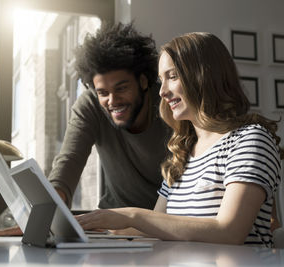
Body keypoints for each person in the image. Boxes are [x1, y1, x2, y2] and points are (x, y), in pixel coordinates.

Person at [76, 32, 282, 247]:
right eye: (161, 80)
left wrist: (131, 215)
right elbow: (158, 227)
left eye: (172, 76)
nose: (163, 91)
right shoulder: (182, 153)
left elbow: (229, 232)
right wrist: (97, 227)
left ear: (203, 75)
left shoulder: (250, 140)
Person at [0, 23, 169, 236]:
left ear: (143, 81)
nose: (112, 100)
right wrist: (45, 216)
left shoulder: (171, 104)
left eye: (122, 88)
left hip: (163, 226)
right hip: (112, 227)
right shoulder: (91, 104)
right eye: (103, 92)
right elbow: (69, 160)